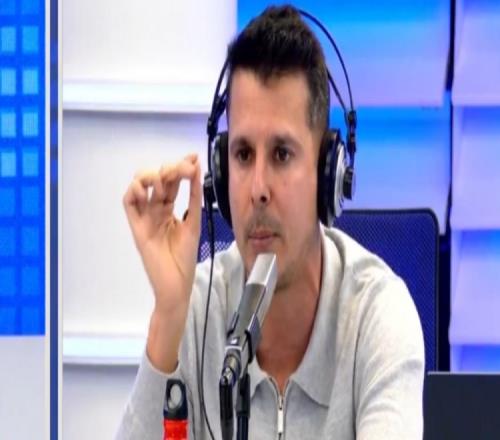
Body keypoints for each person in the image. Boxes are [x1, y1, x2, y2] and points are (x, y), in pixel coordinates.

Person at [116, 5, 424, 440]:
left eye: (282, 154)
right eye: (243, 155)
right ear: (221, 171)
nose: (258, 188)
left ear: (327, 173)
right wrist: (168, 318)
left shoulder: (377, 315)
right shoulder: (194, 310)